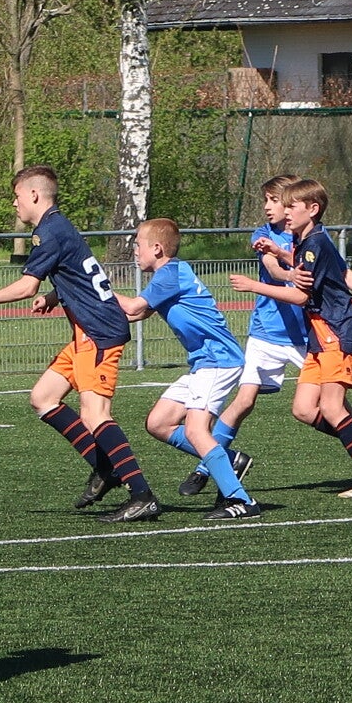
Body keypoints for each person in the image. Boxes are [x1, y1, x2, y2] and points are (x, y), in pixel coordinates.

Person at [0, 166, 158, 524]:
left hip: (98, 332)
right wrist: (55, 296)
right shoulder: (57, 226)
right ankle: (105, 468)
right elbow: (80, 273)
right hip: (85, 332)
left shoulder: (49, 231)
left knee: (95, 414)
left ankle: (142, 495)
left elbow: (26, 286)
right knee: (43, 397)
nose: (14, 203)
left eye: (16, 196)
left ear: (33, 195)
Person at [230, 179, 352, 498]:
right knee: (302, 409)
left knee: (332, 407)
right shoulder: (307, 241)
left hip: (336, 333)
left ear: (312, 209)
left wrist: (253, 286)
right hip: (319, 337)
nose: (285, 212)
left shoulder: (314, 243)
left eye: (291, 206)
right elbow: (342, 273)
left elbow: (301, 296)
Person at [117, 219, 261, 520]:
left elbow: (132, 308)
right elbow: (137, 314)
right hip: (203, 363)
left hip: (218, 360)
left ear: (157, 248)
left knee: (196, 430)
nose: (135, 250)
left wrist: (94, 286)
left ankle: (241, 500)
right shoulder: (169, 274)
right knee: (159, 422)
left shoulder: (170, 274)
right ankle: (230, 460)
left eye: (138, 244)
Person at [178, 175, 298, 498]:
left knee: (330, 404)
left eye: (273, 200)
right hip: (265, 333)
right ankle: (205, 467)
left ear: (292, 203)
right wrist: (292, 273)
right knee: (244, 401)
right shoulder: (263, 235)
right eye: (266, 200)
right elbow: (273, 269)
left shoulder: (310, 235)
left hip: (304, 334)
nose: (267, 206)